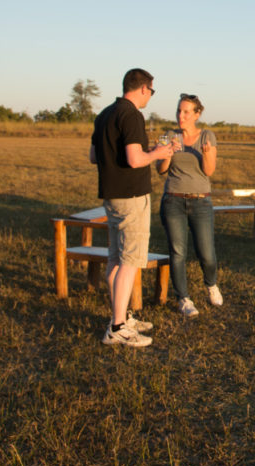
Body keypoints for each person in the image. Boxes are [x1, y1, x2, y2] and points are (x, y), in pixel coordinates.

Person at [90, 68, 176, 347]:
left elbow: (94, 155)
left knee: (115, 259)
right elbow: (135, 159)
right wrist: (159, 153)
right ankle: (117, 327)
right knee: (129, 262)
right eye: (151, 91)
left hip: (111, 196)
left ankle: (122, 316)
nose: (151, 96)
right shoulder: (132, 115)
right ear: (143, 88)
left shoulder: (104, 114)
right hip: (131, 197)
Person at [157, 94, 222, 318]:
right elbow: (161, 169)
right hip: (173, 200)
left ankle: (211, 284)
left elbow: (209, 171)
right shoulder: (167, 136)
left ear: (197, 114)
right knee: (177, 252)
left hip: (200, 201)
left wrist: (205, 154)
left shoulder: (207, 136)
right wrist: (169, 152)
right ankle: (183, 298)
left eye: (186, 112)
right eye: (178, 111)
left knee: (207, 254)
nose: (181, 116)